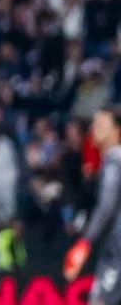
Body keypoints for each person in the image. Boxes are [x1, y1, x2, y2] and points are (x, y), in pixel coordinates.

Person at [65, 106, 121, 305]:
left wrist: (84, 243)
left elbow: (107, 206)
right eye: (94, 123)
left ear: (117, 129)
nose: (94, 128)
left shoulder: (114, 160)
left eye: (101, 123)